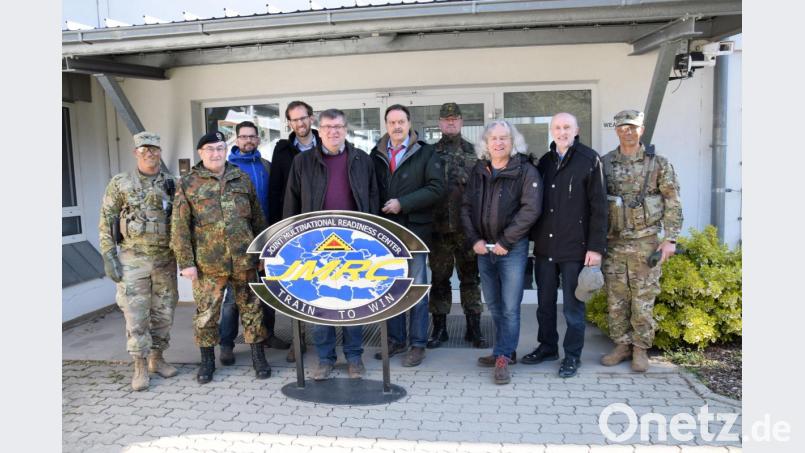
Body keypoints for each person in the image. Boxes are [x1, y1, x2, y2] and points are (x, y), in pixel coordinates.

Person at [283, 108, 380, 380]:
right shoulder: (303, 162)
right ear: (319, 130)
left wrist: (371, 238)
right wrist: (292, 241)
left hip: (354, 244)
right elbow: (291, 201)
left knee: (353, 301)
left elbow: (373, 197)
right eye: (327, 127)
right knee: (320, 302)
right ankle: (325, 359)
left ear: (345, 129)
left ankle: (354, 358)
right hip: (314, 245)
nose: (333, 132)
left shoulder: (362, 160)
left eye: (338, 127)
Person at [171, 131, 271, 384]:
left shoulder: (241, 177)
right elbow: (179, 227)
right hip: (209, 263)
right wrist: (186, 263)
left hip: (244, 260)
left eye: (219, 148)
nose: (215, 153)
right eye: (210, 149)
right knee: (206, 314)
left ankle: (258, 357)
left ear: (226, 151)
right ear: (200, 153)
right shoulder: (188, 182)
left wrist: (262, 253)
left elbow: (257, 218)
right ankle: (207, 361)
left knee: (252, 309)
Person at [522, 112, 608, 379]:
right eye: (557, 127)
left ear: (576, 130)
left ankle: (572, 355)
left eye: (567, 127)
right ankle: (547, 347)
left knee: (573, 308)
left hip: (576, 248)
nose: (562, 132)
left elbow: (600, 207)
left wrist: (595, 248)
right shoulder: (545, 162)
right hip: (546, 248)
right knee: (544, 304)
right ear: (552, 131)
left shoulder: (589, 160)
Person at [600, 109, 683, 372]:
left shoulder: (658, 163)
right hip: (614, 242)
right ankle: (621, 345)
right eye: (623, 128)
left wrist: (670, 239)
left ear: (641, 130)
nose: (628, 132)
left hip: (646, 241)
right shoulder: (605, 163)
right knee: (616, 298)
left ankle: (640, 349)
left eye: (633, 127)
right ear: (616, 131)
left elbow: (672, 201)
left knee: (643, 298)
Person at [461, 121, 542, 385]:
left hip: (512, 249)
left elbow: (530, 210)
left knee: (509, 307)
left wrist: (506, 241)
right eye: (493, 138)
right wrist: (474, 239)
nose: (498, 143)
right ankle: (503, 351)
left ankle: (504, 357)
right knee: (494, 305)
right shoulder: (479, 170)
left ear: (513, 141)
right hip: (484, 249)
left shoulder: (525, 171)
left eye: (504, 138)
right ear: (486, 143)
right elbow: (466, 207)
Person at [99, 131, 180, 391]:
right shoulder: (120, 183)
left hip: (165, 259)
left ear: (160, 152)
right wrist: (109, 255)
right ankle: (140, 366)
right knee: (136, 315)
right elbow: (106, 220)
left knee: (164, 313)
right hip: (133, 260)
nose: (150, 154)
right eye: (144, 150)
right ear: (136, 153)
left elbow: (183, 222)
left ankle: (158, 358)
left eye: (154, 149)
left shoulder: (173, 182)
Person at [371, 104, 445, 367]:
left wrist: (403, 203)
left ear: (409, 123)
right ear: (386, 125)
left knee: (416, 290)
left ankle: (417, 344)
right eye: (392, 122)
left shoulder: (426, 153)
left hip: (415, 233)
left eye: (401, 121)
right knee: (391, 289)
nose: (397, 126)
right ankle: (396, 340)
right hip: (386, 234)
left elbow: (437, 188)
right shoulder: (375, 154)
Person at [218, 121, 289, 368]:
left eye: (252, 136)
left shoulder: (266, 166)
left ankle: (268, 334)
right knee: (232, 298)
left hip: (266, 238)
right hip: (236, 243)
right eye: (243, 137)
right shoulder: (226, 168)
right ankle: (226, 343)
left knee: (268, 290)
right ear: (236, 140)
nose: (248, 140)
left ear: (258, 140)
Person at [427, 103, 487, 349]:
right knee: (439, 280)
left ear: (461, 122)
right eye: (446, 119)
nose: (450, 122)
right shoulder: (429, 153)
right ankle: (440, 329)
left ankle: (474, 328)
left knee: (470, 279)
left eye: (455, 119)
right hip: (438, 229)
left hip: (467, 230)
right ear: (440, 123)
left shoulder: (476, 152)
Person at [268, 100, 319, 363]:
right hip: (294, 229)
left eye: (303, 118)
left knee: (327, 283)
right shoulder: (282, 151)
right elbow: (275, 191)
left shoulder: (326, 144)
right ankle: (298, 340)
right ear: (289, 123)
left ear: (311, 118)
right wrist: (277, 230)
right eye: (294, 119)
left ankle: (328, 341)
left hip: (323, 227)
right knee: (297, 285)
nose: (300, 123)